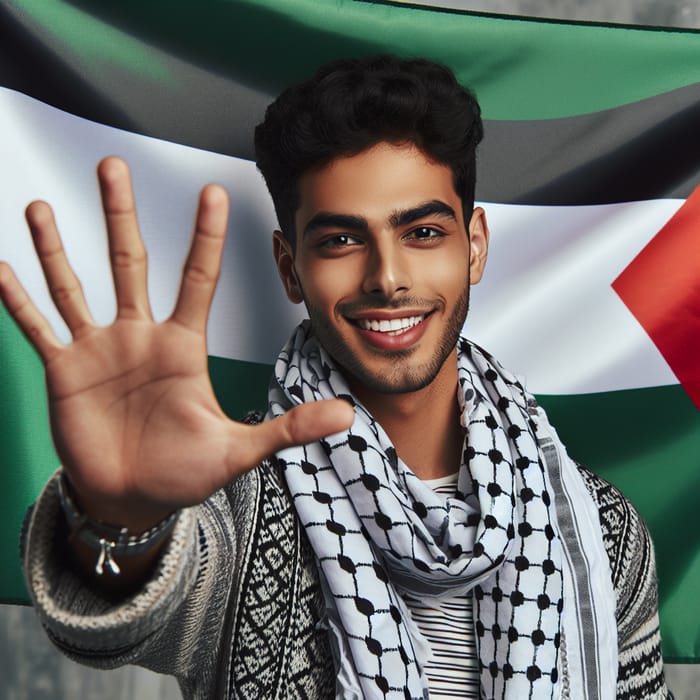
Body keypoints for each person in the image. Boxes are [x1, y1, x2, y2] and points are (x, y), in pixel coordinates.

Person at [0, 56, 669, 700]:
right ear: (291, 269)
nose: (388, 276)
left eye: (424, 233)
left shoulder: (600, 530)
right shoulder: (241, 511)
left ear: (475, 245)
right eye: (341, 241)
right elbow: (109, 618)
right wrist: (119, 521)